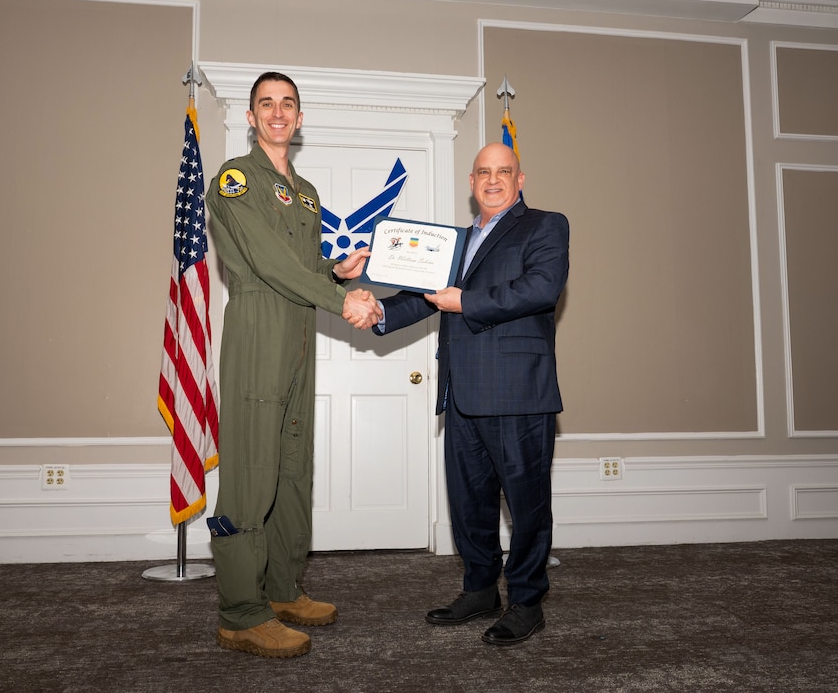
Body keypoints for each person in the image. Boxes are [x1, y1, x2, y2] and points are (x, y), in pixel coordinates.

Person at [204, 71, 381, 659]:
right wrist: (341, 299)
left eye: (287, 104)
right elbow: (268, 261)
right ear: (251, 117)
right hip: (260, 328)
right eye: (266, 104)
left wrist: (336, 271)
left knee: (291, 466)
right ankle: (241, 612)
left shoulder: (305, 193)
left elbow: (299, 266)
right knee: (252, 470)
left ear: (300, 119)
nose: (277, 113)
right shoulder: (235, 178)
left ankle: (281, 589)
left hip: (299, 331)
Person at [375, 142, 569, 646]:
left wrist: (467, 301)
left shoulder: (546, 226)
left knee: (526, 506)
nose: (493, 180)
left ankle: (526, 602)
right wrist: (378, 312)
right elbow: (426, 296)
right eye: (484, 172)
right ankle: (481, 589)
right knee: (469, 503)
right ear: (471, 181)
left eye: (504, 172)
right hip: (461, 391)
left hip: (519, 391)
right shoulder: (455, 242)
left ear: (520, 179)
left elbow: (541, 288)